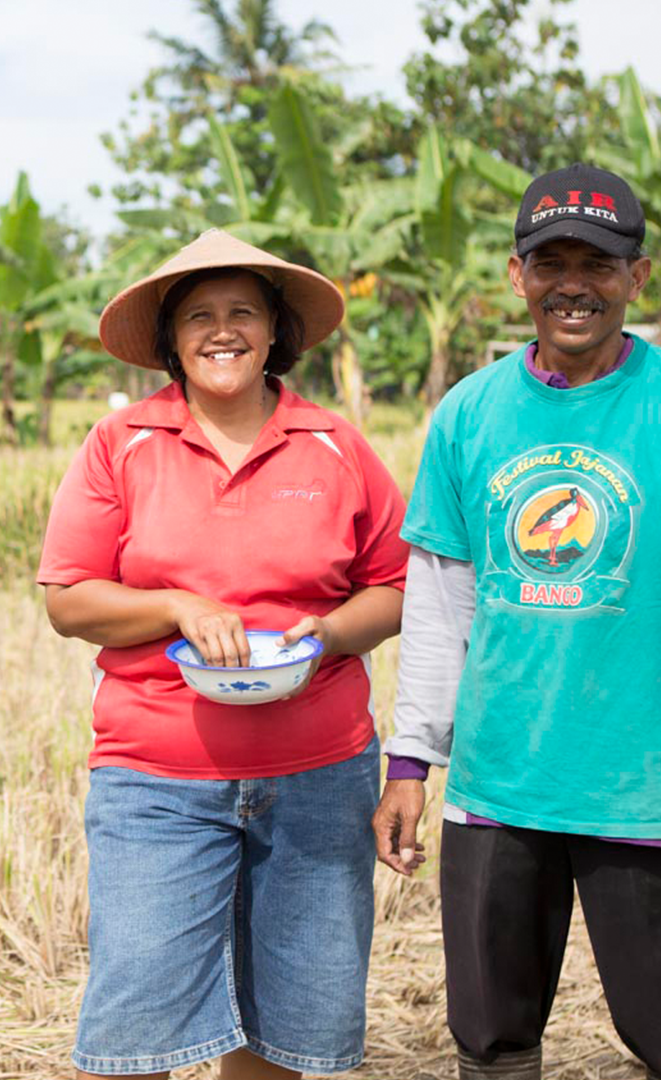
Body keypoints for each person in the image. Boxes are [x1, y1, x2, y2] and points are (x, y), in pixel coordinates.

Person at [373, 164, 661, 1080]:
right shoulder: (470, 413)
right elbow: (438, 604)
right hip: (498, 784)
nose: (573, 285)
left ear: (638, 277)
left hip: (644, 787)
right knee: (491, 1038)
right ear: (518, 277)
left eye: (599, 262)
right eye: (551, 261)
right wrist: (409, 763)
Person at [38, 230, 411, 1078]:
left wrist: (327, 636)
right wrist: (175, 604)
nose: (222, 330)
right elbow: (69, 600)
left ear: (277, 329)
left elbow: (394, 586)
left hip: (320, 777)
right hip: (155, 782)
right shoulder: (121, 444)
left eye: (243, 311)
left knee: (285, 1024)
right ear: (170, 340)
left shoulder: (335, 446)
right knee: (137, 1021)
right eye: (198, 315)